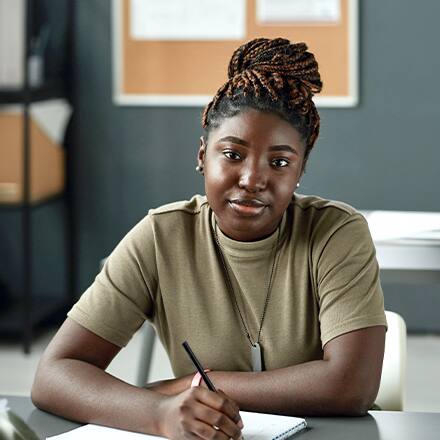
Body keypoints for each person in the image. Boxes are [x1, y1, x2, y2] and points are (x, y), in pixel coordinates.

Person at [32, 38, 387, 439]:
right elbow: (53, 376)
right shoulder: (161, 236)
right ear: (203, 155)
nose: (253, 179)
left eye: (280, 162)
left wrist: (190, 385)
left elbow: (350, 386)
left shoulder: (337, 233)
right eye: (232, 155)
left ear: (300, 169)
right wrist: (157, 413)